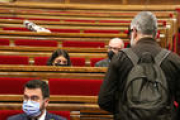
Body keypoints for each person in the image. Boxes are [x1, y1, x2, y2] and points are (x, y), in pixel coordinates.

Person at [98, 11, 180, 120]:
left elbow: (104, 100)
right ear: (156, 33)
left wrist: (125, 111)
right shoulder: (173, 60)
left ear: (135, 31)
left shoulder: (120, 58)